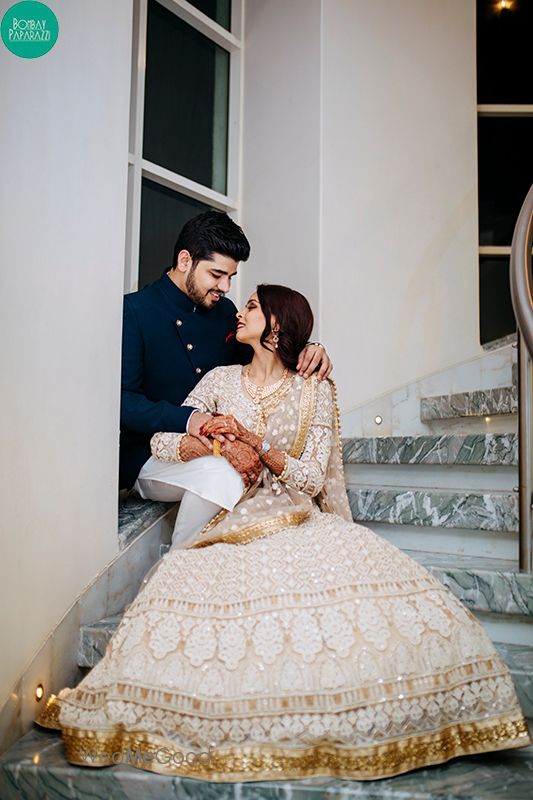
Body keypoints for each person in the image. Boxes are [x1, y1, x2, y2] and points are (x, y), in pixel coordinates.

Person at [37, 284, 530, 782]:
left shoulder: (314, 388)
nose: (239, 309)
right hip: (224, 514)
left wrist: (256, 444)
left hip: (294, 515)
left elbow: (312, 478)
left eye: (251, 304)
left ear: (275, 325)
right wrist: (214, 446)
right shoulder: (219, 381)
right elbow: (165, 438)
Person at [120, 209, 332, 500]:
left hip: (220, 447)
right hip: (149, 455)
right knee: (222, 476)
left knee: (230, 473)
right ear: (185, 261)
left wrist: (309, 348)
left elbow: (263, 357)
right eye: (216, 275)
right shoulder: (134, 311)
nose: (225, 287)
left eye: (231, 277)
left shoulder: (224, 311)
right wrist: (188, 419)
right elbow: (124, 402)